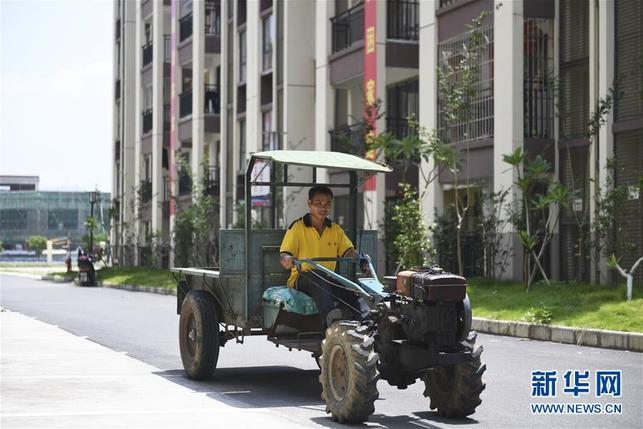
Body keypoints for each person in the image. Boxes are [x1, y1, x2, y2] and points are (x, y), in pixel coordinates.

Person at [279, 186, 367, 329]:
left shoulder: (335, 229)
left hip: (328, 278)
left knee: (349, 290)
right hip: (303, 279)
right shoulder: (297, 227)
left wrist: (360, 258)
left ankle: (366, 322)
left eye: (327, 204)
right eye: (318, 203)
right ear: (309, 204)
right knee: (317, 274)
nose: (323, 207)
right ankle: (329, 321)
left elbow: (348, 251)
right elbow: (285, 254)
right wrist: (287, 259)